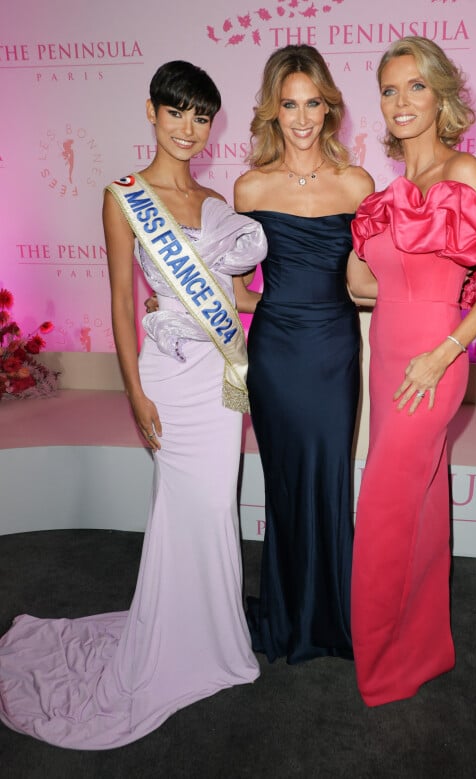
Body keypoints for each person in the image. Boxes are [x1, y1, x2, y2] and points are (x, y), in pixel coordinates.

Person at [0, 61, 267, 749]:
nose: (188, 127)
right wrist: (134, 390)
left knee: (214, 505)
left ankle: (212, 635)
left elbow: (236, 296)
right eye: (176, 111)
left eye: (201, 115)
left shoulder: (215, 202)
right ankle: (177, 642)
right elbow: (122, 301)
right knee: (186, 504)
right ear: (152, 112)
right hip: (167, 376)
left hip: (216, 375)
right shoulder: (124, 196)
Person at [347, 36, 476, 706]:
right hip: (385, 359)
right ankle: (423, 647)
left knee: (380, 507)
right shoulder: (388, 194)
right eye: (389, 89)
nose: (401, 101)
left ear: (440, 97)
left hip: (434, 361)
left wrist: (447, 346)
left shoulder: (464, 172)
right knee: (423, 505)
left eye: (415, 87)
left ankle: (380, 663)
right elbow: (363, 287)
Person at [233, 44, 375, 664]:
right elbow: (238, 287)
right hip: (278, 353)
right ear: (271, 109)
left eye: (312, 103)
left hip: (334, 348)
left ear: (329, 107)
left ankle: (332, 614)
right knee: (285, 481)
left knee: (331, 475)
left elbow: (360, 282)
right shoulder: (249, 186)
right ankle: (290, 612)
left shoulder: (358, 183)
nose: (301, 117)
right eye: (288, 104)